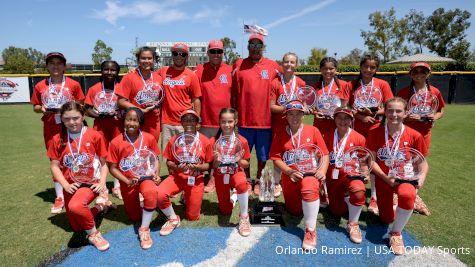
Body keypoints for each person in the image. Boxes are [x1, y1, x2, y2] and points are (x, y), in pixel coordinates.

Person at [366, 97, 429, 255]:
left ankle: (396, 234)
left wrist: (420, 179)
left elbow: (422, 163)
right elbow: (371, 162)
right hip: (383, 177)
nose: (394, 114)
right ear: (385, 112)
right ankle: (399, 204)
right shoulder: (375, 132)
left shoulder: (414, 135)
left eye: (398, 111)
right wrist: (386, 178)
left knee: (407, 194)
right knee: (386, 219)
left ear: (405, 112)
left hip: (405, 177)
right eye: (390, 110)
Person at [47, 101, 111, 251]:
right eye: (67, 119)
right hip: (71, 185)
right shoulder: (57, 139)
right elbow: (54, 166)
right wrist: (66, 185)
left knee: (76, 206)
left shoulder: (94, 135)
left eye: (75, 118)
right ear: (61, 119)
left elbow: (104, 163)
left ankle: (94, 234)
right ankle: (101, 207)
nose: (72, 122)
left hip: (90, 182)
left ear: (82, 116)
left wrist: (102, 183)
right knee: (76, 226)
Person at [269, 100, 329, 250]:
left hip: (309, 173)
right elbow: (275, 157)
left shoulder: (313, 130)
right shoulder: (281, 132)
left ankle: (310, 230)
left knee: (308, 188)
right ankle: (316, 195)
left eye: (298, 114)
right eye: (291, 114)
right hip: (290, 176)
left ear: (303, 115)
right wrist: (289, 171)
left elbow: (325, 154)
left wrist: (322, 171)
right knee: (294, 211)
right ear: (286, 116)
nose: (294, 117)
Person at [31, 52, 85, 214]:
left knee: (74, 157)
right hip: (51, 127)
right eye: (52, 63)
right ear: (47, 66)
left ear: (64, 66)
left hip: (71, 126)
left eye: (59, 63)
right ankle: (59, 196)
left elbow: (81, 104)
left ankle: (78, 188)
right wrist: (43, 109)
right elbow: (35, 107)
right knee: (56, 160)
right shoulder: (41, 85)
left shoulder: (73, 84)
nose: (56, 66)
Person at [232, 33, 280, 195]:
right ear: (247, 47)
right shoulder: (238, 64)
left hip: (265, 121)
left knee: (262, 156)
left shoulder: (273, 66)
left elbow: (286, 84)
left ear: (263, 48)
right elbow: (233, 94)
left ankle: (259, 180)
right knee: (243, 154)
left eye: (258, 45)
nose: (255, 48)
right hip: (244, 120)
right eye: (252, 45)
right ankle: (246, 179)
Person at [107, 107, 161, 249]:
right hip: (128, 181)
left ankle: (144, 229)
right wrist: (127, 181)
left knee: (151, 192)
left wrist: (155, 174)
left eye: (135, 120)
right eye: (128, 119)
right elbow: (112, 168)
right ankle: (146, 206)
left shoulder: (149, 138)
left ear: (140, 122)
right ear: (123, 121)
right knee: (134, 217)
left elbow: (155, 159)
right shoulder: (115, 142)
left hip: (145, 177)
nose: (131, 123)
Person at [396, 62, 445, 216]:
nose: (419, 74)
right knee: (402, 161)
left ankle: (413, 193)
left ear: (428, 74)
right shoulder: (404, 92)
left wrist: (434, 117)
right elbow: (397, 114)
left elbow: (441, 110)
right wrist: (408, 117)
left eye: (422, 71)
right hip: (406, 132)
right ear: (411, 74)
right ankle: (399, 191)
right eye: (415, 71)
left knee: (418, 163)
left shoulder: (435, 92)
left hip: (424, 133)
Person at [347, 55, 394, 215]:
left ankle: (373, 196)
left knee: (373, 161)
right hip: (356, 128)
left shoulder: (382, 84)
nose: (368, 70)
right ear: (360, 67)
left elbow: (390, 106)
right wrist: (361, 116)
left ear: (376, 69)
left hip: (376, 128)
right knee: (356, 159)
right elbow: (346, 107)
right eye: (366, 66)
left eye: (372, 67)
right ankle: (353, 189)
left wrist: (373, 113)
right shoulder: (352, 84)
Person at [157, 110, 212, 236]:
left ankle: (186, 197)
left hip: (195, 179)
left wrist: (199, 167)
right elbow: (169, 162)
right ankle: (173, 217)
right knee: (159, 194)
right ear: (181, 123)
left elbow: (208, 165)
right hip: (178, 177)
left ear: (197, 124)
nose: (189, 123)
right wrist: (177, 167)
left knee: (192, 217)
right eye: (186, 120)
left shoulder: (204, 141)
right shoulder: (174, 140)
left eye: (192, 120)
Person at [194, 39, 233, 193]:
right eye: (213, 51)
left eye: (219, 51)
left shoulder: (230, 70)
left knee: (221, 153)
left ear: (223, 53)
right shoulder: (198, 69)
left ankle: (212, 178)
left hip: (225, 121)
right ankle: (196, 178)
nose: (216, 54)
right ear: (208, 53)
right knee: (203, 152)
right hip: (206, 120)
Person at [323, 107, 367, 244]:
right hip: (333, 177)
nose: (343, 121)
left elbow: (363, 161)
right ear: (334, 119)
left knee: (358, 189)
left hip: (351, 175)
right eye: (340, 117)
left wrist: (364, 173)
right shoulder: (326, 136)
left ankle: (353, 224)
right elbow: (321, 160)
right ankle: (346, 198)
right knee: (336, 211)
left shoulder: (359, 138)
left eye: (347, 118)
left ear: (351, 120)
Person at [209, 108, 251, 236]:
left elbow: (247, 163)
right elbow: (212, 166)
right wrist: (216, 160)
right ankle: (234, 197)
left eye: (230, 121)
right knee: (225, 210)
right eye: (223, 121)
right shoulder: (213, 141)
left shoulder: (242, 140)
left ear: (235, 122)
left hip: (236, 172)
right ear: (219, 122)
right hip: (220, 174)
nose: (227, 125)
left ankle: (244, 217)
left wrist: (238, 159)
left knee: (242, 184)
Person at [85, 60, 123, 200]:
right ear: (101, 71)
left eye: (113, 70)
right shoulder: (94, 88)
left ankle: (117, 185)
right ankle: (102, 186)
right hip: (100, 125)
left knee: (117, 155)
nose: (109, 72)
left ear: (117, 72)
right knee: (100, 156)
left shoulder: (121, 87)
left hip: (117, 125)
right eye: (106, 69)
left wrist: (120, 113)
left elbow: (126, 105)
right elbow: (87, 108)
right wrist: (100, 115)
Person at [270, 52, 306, 198]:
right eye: (286, 62)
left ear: (296, 65)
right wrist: (288, 108)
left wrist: (302, 108)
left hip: (296, 125)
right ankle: (277, 182)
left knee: (295, 151)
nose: (289, 65)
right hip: (279, 124)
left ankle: (296, 175)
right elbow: (271, 107)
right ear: (282, 64)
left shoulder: (301, 83)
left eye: (292, 62)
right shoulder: (275, 82)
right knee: (279, 154)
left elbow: (304, 106)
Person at [158, 43, 202, 151]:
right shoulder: (163, 71)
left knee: (185, 155)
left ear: (186, 56)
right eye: (175, 53)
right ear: (172, 55)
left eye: (182, 54)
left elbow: (196, 99)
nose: (178, 56)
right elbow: (148, 77)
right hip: (167, 122)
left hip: (185, 122)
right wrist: (134, 71)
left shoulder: (191, 75)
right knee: (168, 158)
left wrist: (197, 120)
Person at [117, 46, 163, 142]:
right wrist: (141, 110)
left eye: (149, 58)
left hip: (154, 121)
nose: (146, 61)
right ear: (138, 60)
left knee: (151, 152)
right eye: (143, 58)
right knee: (136, 151)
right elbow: (121, 102)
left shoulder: (159, 77)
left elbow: (161, 100)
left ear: (154, 60)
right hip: (135, 121)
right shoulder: (129, 77)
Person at [312, 57, 349, 136]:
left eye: (331, 68)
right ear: (320, 70)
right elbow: (312, 108)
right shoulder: (315, 87)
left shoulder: (344, 85)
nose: (328, 71)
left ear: (335, 69)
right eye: (325, 68)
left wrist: (338, 114)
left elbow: (347, 106)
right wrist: (315, 113)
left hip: (338, 127)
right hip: (320, 126)